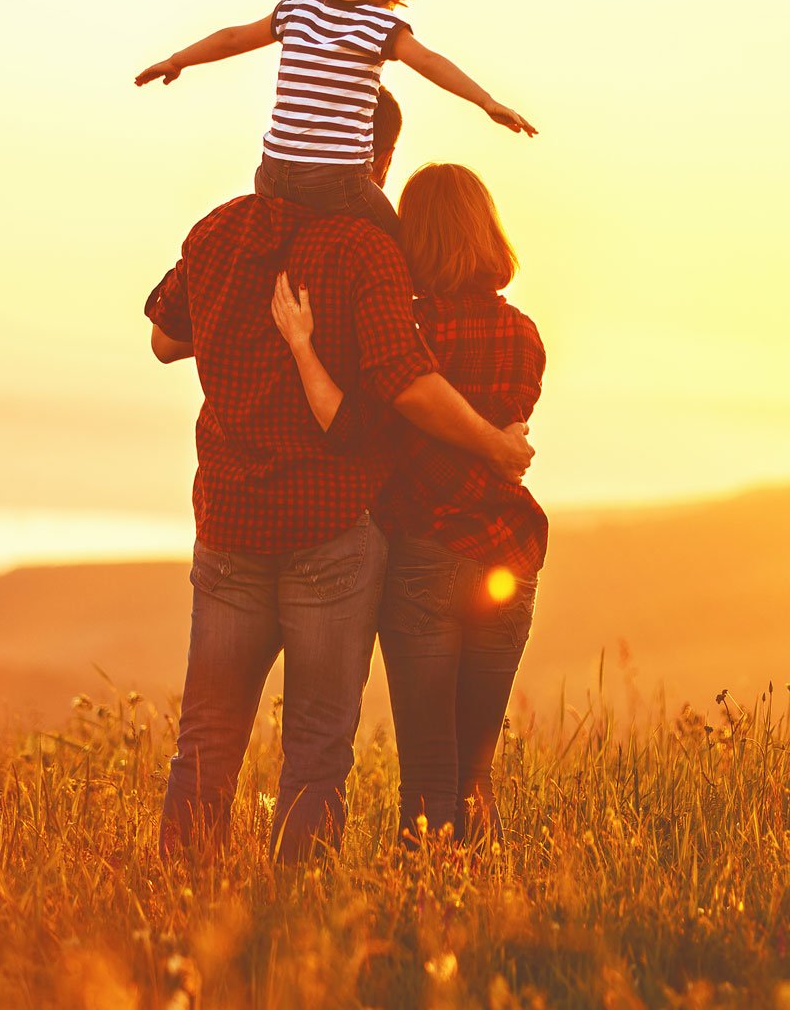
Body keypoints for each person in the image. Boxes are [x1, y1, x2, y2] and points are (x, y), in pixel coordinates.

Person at [145, 104, 534, 865]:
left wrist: (242, 324)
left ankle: (181, 893)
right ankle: (300, 906)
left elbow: (165, 340)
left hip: (229, 518)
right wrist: (494, 444)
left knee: (208, 731)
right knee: (319, 741)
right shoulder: (367, 249)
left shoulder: (220, 229)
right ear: (373, 160)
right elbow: (401, 381)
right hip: (331, 527)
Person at [271, 162, 547, 846]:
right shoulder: (525, 335)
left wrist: (304, 347)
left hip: (424, 557)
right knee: (476, 769)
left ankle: (426, 910)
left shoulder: (407, 335)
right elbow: (509, 427)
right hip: (508, 556)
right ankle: (487, 904)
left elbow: (354, 424)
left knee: (428, 768)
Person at [134, 0, 535, 236]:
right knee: (395, 246)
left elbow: (231, 38)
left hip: (273, 175)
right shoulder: (381, 27)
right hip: (337, 182)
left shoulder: (295, 11)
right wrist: (486, 101)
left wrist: (177, 60)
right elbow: (430, 62)